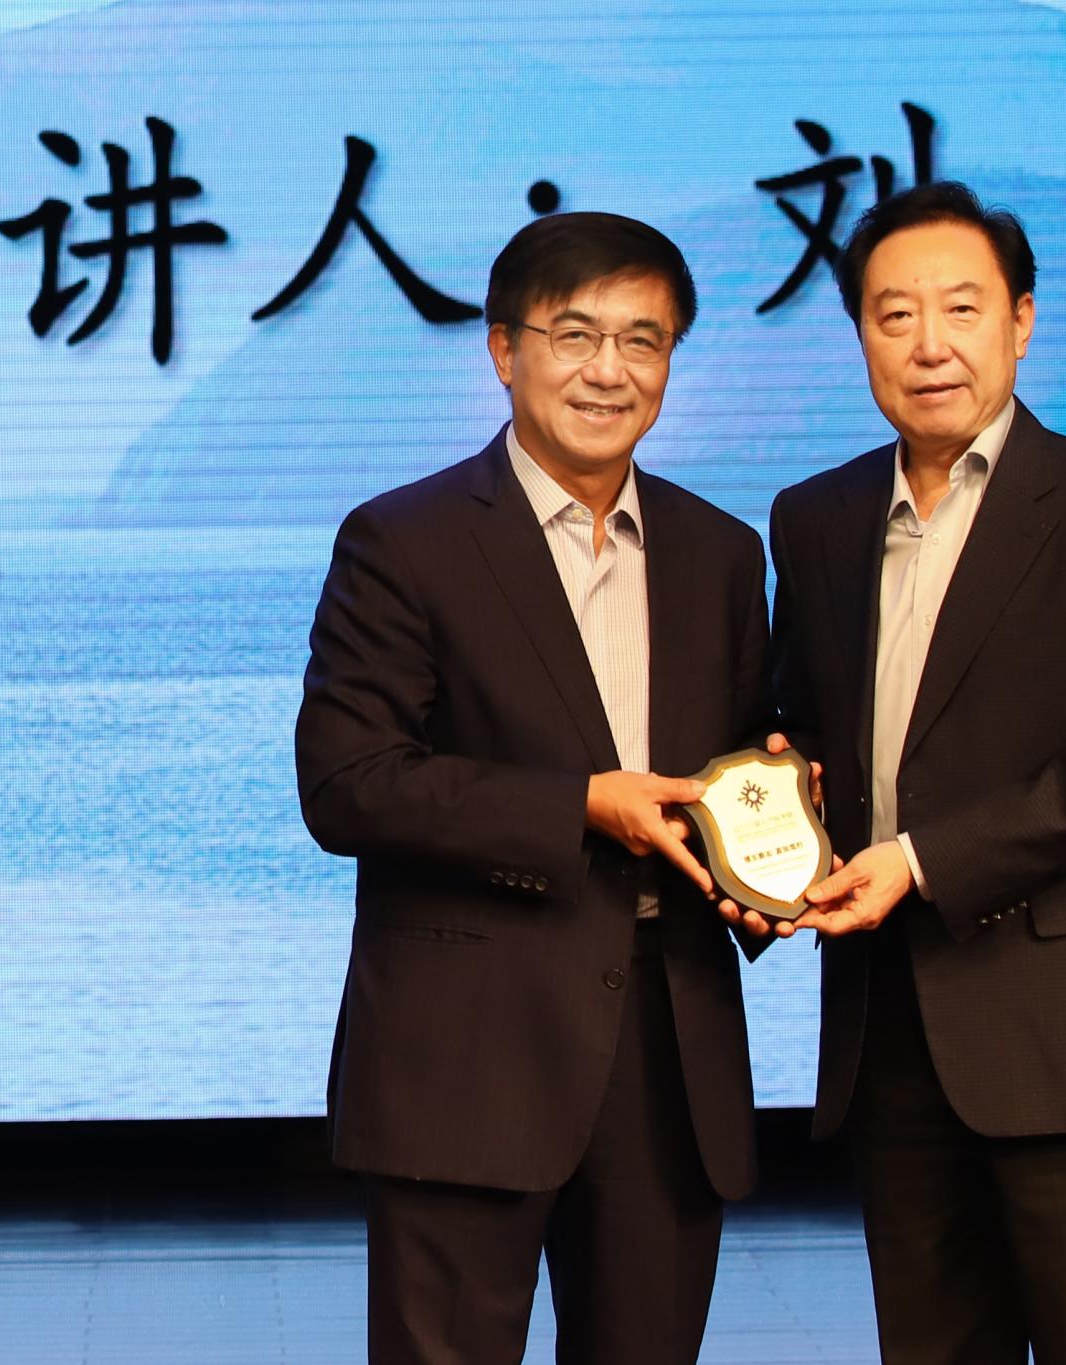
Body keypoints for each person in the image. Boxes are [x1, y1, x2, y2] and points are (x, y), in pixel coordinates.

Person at [296, 212, 773, 1365]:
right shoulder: (402, 540)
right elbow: (347, 785)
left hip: (668, 1052)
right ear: (503, 350)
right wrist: (578, 807)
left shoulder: (720, 553)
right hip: (470, 1052)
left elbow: (734, 777)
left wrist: (772, 855)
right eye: (574, 335)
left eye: (642, 340)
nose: (609, 370)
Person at [751, 180, 1066, 1363]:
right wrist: (763, 820)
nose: (928, 345)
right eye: (893, 315)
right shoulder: (815, 517)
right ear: (860, 335)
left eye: (960, 308)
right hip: (889, 1028)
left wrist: (917, 861)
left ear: (1021, 321)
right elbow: (795, 730)